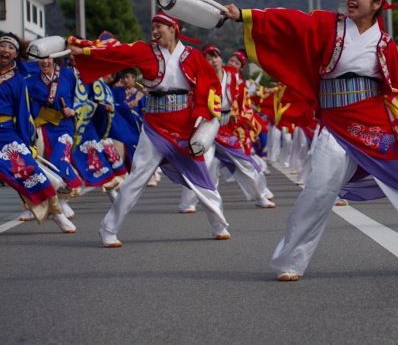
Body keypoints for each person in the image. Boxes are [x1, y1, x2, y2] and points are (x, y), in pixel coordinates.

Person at [223, 0, 398, 281]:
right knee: (318, 190)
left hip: (374, 125)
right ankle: (291, 261)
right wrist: (245, 16)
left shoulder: (384, 43)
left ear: (377, 4)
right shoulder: (329, 25)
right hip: (336, 123)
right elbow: (291, 21)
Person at [68, 13, 230, 247]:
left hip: (184, 127)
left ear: (174, 28)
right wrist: (84, 51)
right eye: (152, 27)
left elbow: (211, 84)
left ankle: (219, 224)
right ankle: (108, 229)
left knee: (200, 176)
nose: (154, 31)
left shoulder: (192, 55)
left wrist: (206, 117)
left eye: (159, 27)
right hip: (154, 126)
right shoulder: (145, 50)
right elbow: (117, 52)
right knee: (137, 178)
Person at [177, 44, 275, 212]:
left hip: (228, 127)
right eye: (208, 58)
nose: (213, 60)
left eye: (215, 56)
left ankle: (260, 196)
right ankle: (187, 203)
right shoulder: (200, 77)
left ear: (220, 58)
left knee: (245, 163)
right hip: (207, 125)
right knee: (202, 163)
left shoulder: (233, 77)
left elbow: (244, 102)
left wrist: (242, 120)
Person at [0, 33, 76, 233]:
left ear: (16, 54)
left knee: (28, 171)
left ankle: (56, 212)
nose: (5, 51)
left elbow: (23, 114)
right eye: (2, 46)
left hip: (6, 133)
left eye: (10, 48)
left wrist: (28, 144)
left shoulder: (18, 80)